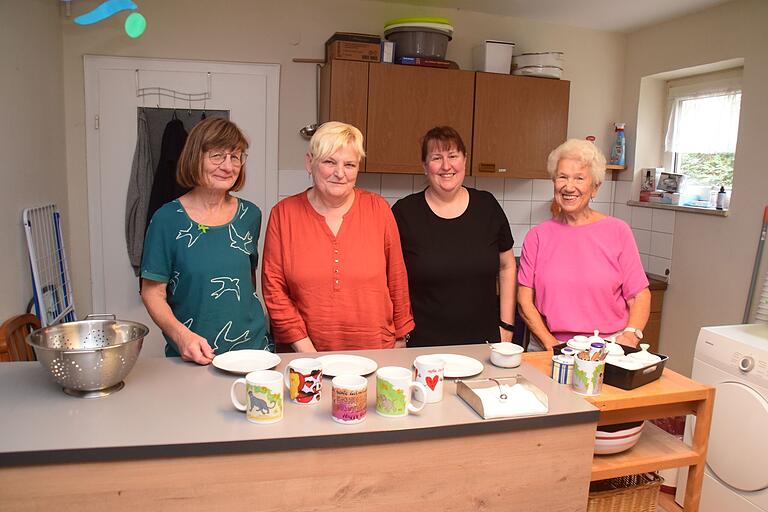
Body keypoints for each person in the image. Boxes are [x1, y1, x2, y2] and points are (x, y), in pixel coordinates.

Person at [261, 121, 414, 352]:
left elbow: (397, 279)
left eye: (349, 164)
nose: (340, 173)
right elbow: (274, 289)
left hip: (375, 352)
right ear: (310, 162)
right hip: (304, 357)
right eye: (329, 162)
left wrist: (400, 340)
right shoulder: (283, 214)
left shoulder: (378, 209)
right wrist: (308, 354)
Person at [140, 117, 269, 364]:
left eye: (236, 157)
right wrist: (181, 336)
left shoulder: (250, 215)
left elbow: (247, 279)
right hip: (194, 352)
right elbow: (152, 292)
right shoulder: (167, 219)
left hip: (254, 351)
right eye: (217, 156)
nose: (228, 166)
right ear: (195, 158)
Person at [517, 139, 650, 351]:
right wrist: (551, 345)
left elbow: (639, 295)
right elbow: (525, 300)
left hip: (606, 347)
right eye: (562, 177)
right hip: (549, 344)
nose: (569, 187)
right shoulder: (537, 236)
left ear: (595, 187)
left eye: (579, 178)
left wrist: (631, 336)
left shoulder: (618, 231)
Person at [392, 126, 516, 347]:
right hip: (422, 345)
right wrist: (399, 335)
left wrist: (506, 327)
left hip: (484, 343)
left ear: (465, 160)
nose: (446, 166)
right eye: (436, 158)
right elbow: (391, 279)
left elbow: (507, 266)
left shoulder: (487, 207)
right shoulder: (405, 213)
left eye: (453, 156)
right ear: (424, 166)